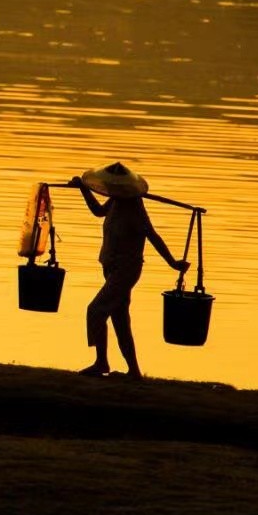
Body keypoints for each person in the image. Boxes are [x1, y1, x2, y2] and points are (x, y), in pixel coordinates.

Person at [68, 162, 190, 380]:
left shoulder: (134, 207)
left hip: (126, 269)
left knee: (96, 310)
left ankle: (101, 362)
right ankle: (133, 371)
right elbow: (98, 211)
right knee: (119, 318)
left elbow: (152, 236)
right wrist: (83, 189)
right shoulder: (116, 200)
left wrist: (172, 262)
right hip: (111, 266)